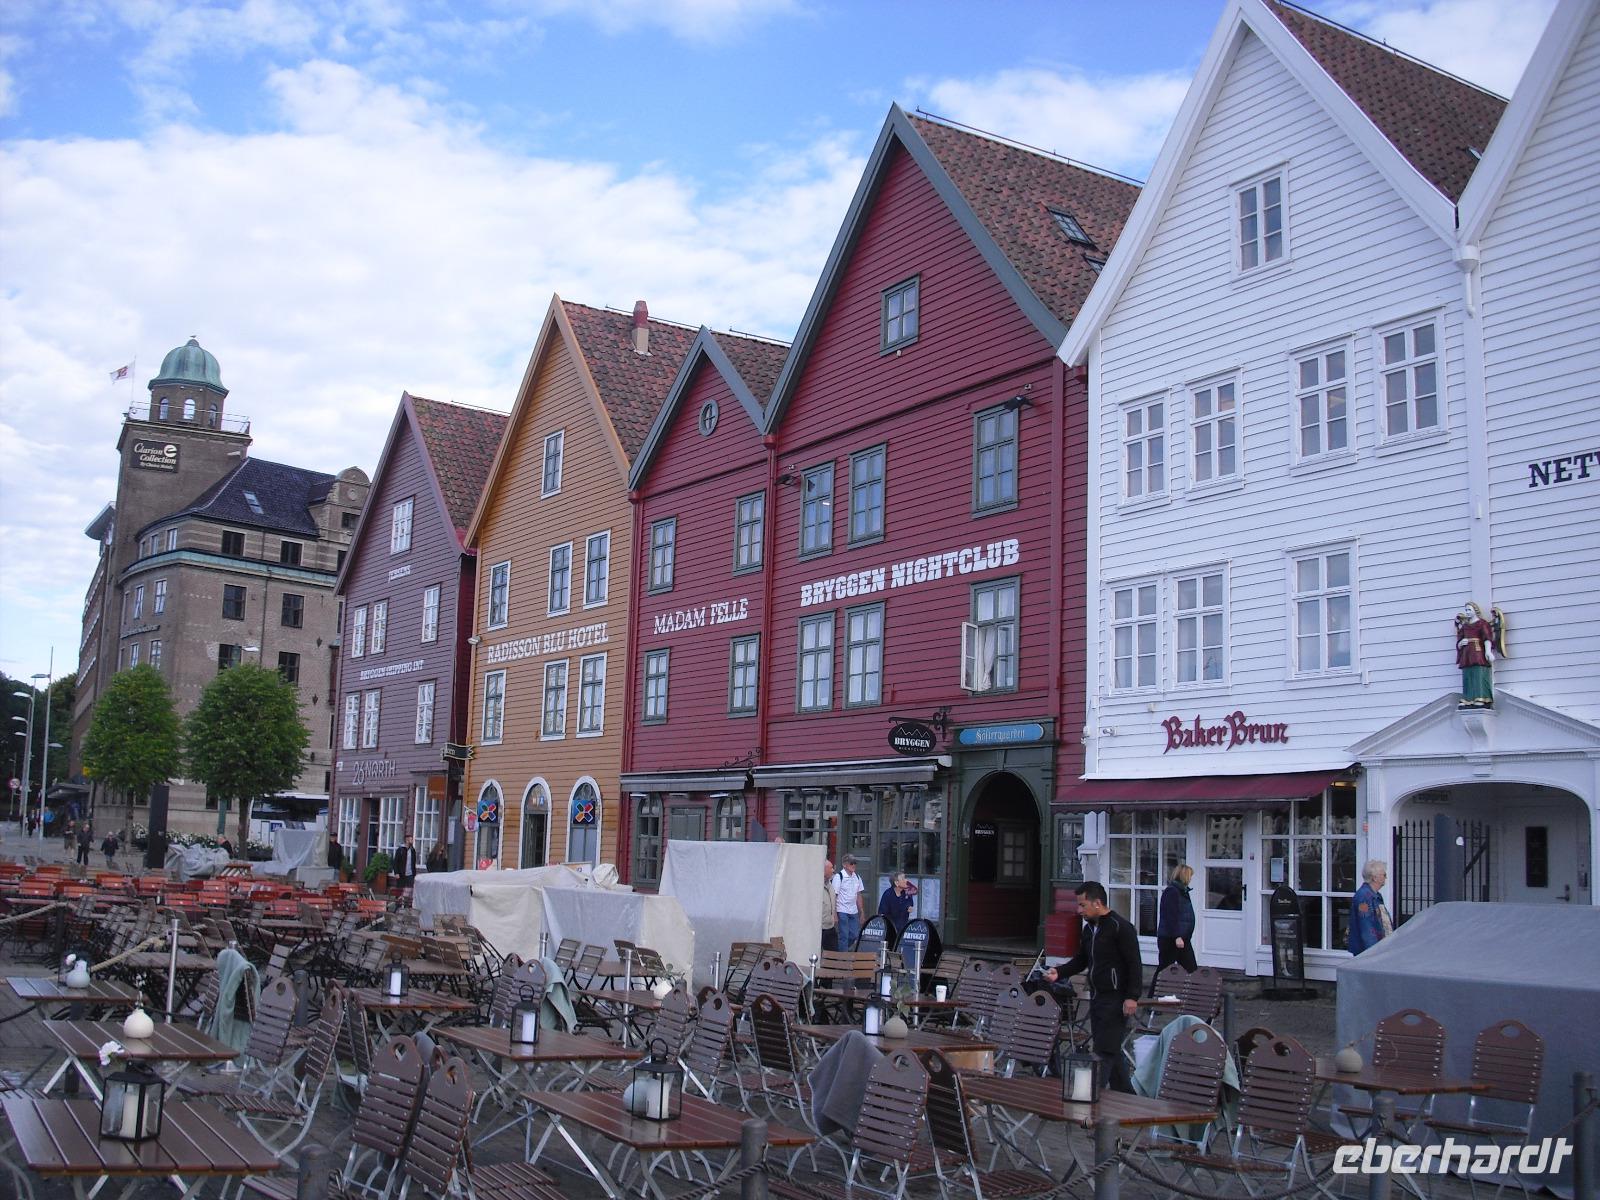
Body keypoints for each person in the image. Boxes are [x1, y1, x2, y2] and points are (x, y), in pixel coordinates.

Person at [1041, 880, 1142, 1093]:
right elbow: (1081, 960)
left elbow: (1134, 964)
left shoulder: (1120, 928)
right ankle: (1127, 1096)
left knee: (1104, 1049)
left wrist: (1132, 996)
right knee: (1110, 1047)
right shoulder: (1089, 930)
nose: (1079, 911)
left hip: (1117, 997)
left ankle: (1089, 1095)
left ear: (1097, 903)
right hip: (1097, 995)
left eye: (1082, 905)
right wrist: (1059, 972)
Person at [1150, 864, 1197, 994]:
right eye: (1190, 876)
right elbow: (1171, 915)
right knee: (1165, 969)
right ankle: (1152, 999)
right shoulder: (1173, 891)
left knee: (1191, 969)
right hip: (1172, 938)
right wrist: (1177, 936)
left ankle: (1196, 1000)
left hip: (1181, 938)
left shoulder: (1182, 891)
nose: (1191, 879)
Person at [1454, 602, 1507, 708]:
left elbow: (1487, 638)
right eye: (1466, 610)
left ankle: (1481, 696)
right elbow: (1459, 640)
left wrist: (1488, 652)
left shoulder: (1482, 624)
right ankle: (1468, 698)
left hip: (1477, 651)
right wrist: (1460, 643)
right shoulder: (1465, 626)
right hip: (1467, 652)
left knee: (1478, 673)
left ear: (1475, 610)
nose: (1467, 612)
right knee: (1468, 675)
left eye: (1469, 610)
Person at [1348, 860, 1392, 955]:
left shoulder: (1376, 896)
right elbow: (1366, 927)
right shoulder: (1363, 897)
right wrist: (1373, 953)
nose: (1386, 877)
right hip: (1367, 952)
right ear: (1375, 878)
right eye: (1384, 875)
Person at [830, 855, 866, 951]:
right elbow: (834, 896)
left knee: (854, 934)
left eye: (855, 863)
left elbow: (859, 895)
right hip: (842, 910)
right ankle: (843, 958)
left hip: (853, 910)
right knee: (844, 935)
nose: (853, 865)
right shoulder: (839, 877)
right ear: (844, 865)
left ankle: (839, 950)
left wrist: (861, 911)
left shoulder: (857, 877)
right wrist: (834, 913)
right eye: (851, 863)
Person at [877, 872, 916, 939]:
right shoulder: (888, 894)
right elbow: (882, 913)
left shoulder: (907, 892)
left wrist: (909, 907)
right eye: (903, 879)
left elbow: (910, 903)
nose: (906, 881)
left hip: (903, 927)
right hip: (890, 928)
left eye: (905, 878)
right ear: (896, 883)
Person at [820, 858, 838, 952]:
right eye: (830, 868)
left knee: (833, 953)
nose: (833, 870)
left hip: (830, 926)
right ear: (824, 869)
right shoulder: (817, 885)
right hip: (820, 927)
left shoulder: (830, 885)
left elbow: (832, 902)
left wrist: (834, 915)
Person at [393, 834, 418, 898]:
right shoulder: (400, 850)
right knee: (400, 890)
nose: (412, 841)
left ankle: (407, 904)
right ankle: (398, 905)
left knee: (410, 890)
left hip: (410, 874)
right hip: (401, 874)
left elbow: (413, 862)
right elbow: (395, 862)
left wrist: (414, 873)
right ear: (407, 840)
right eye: (410, 839)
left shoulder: (412, 850)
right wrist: (396, 872)